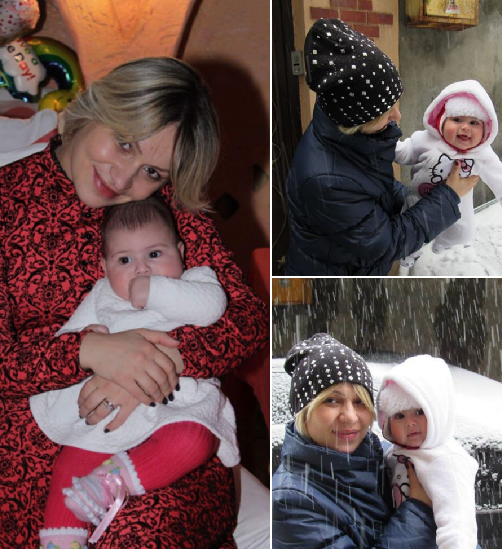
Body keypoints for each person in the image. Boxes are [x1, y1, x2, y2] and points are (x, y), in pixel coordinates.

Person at [0, 56, 268, 549]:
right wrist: (87, 352)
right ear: (98, 105)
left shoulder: (167, 210)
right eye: (124, 143)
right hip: (34, 445)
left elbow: (247, 319)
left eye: (151, 171)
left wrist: (150, 366)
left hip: (162, 436)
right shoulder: (6, 201)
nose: (123, 179)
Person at [30, 196, 240, 548]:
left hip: (177, 403)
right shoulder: (102, 294)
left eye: (154, 254)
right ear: (104, 267)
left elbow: (212, 308)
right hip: (115, 410)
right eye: (124, 260)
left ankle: (110, 483)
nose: (141, 269)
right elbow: (66, 338)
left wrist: (155, 291)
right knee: (69, 462)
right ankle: (60, 542)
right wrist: (88, 339)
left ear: (181, 252)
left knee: (194, 441)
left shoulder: (197, 280)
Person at [284, 18, 479, 276]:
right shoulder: (325, 182)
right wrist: (447, 197)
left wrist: (422, 194)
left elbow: (376, 190)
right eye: (386, 112)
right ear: (358, 121)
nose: (397, 115)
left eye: (395, 103)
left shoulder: (345, 132)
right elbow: (387, 244)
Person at [272, 333, 438, 549]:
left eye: (360, 402)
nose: (350, 417)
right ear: (304, 411)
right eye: (332, 400)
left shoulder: (386, 457)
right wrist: (418, 511)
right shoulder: (290, 501)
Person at [396, 79, 502, 267]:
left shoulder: (482, 156)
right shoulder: (425, 140)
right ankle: (408, 256)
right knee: (410, 231)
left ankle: (443, 244)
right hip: (417, 200)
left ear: (485, 130)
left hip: (457, 207)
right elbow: (405, 153)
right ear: (442, 121)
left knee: (462, 232)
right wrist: (388, 146)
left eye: (474, 122)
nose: (465, 127)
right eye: (457, 120)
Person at [377, 355, 479, 549]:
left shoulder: (445, 460)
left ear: (438, 411)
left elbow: (458, 524)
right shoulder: (392, 454)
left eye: (419, 412)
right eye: (399, 415)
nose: (410, 422)